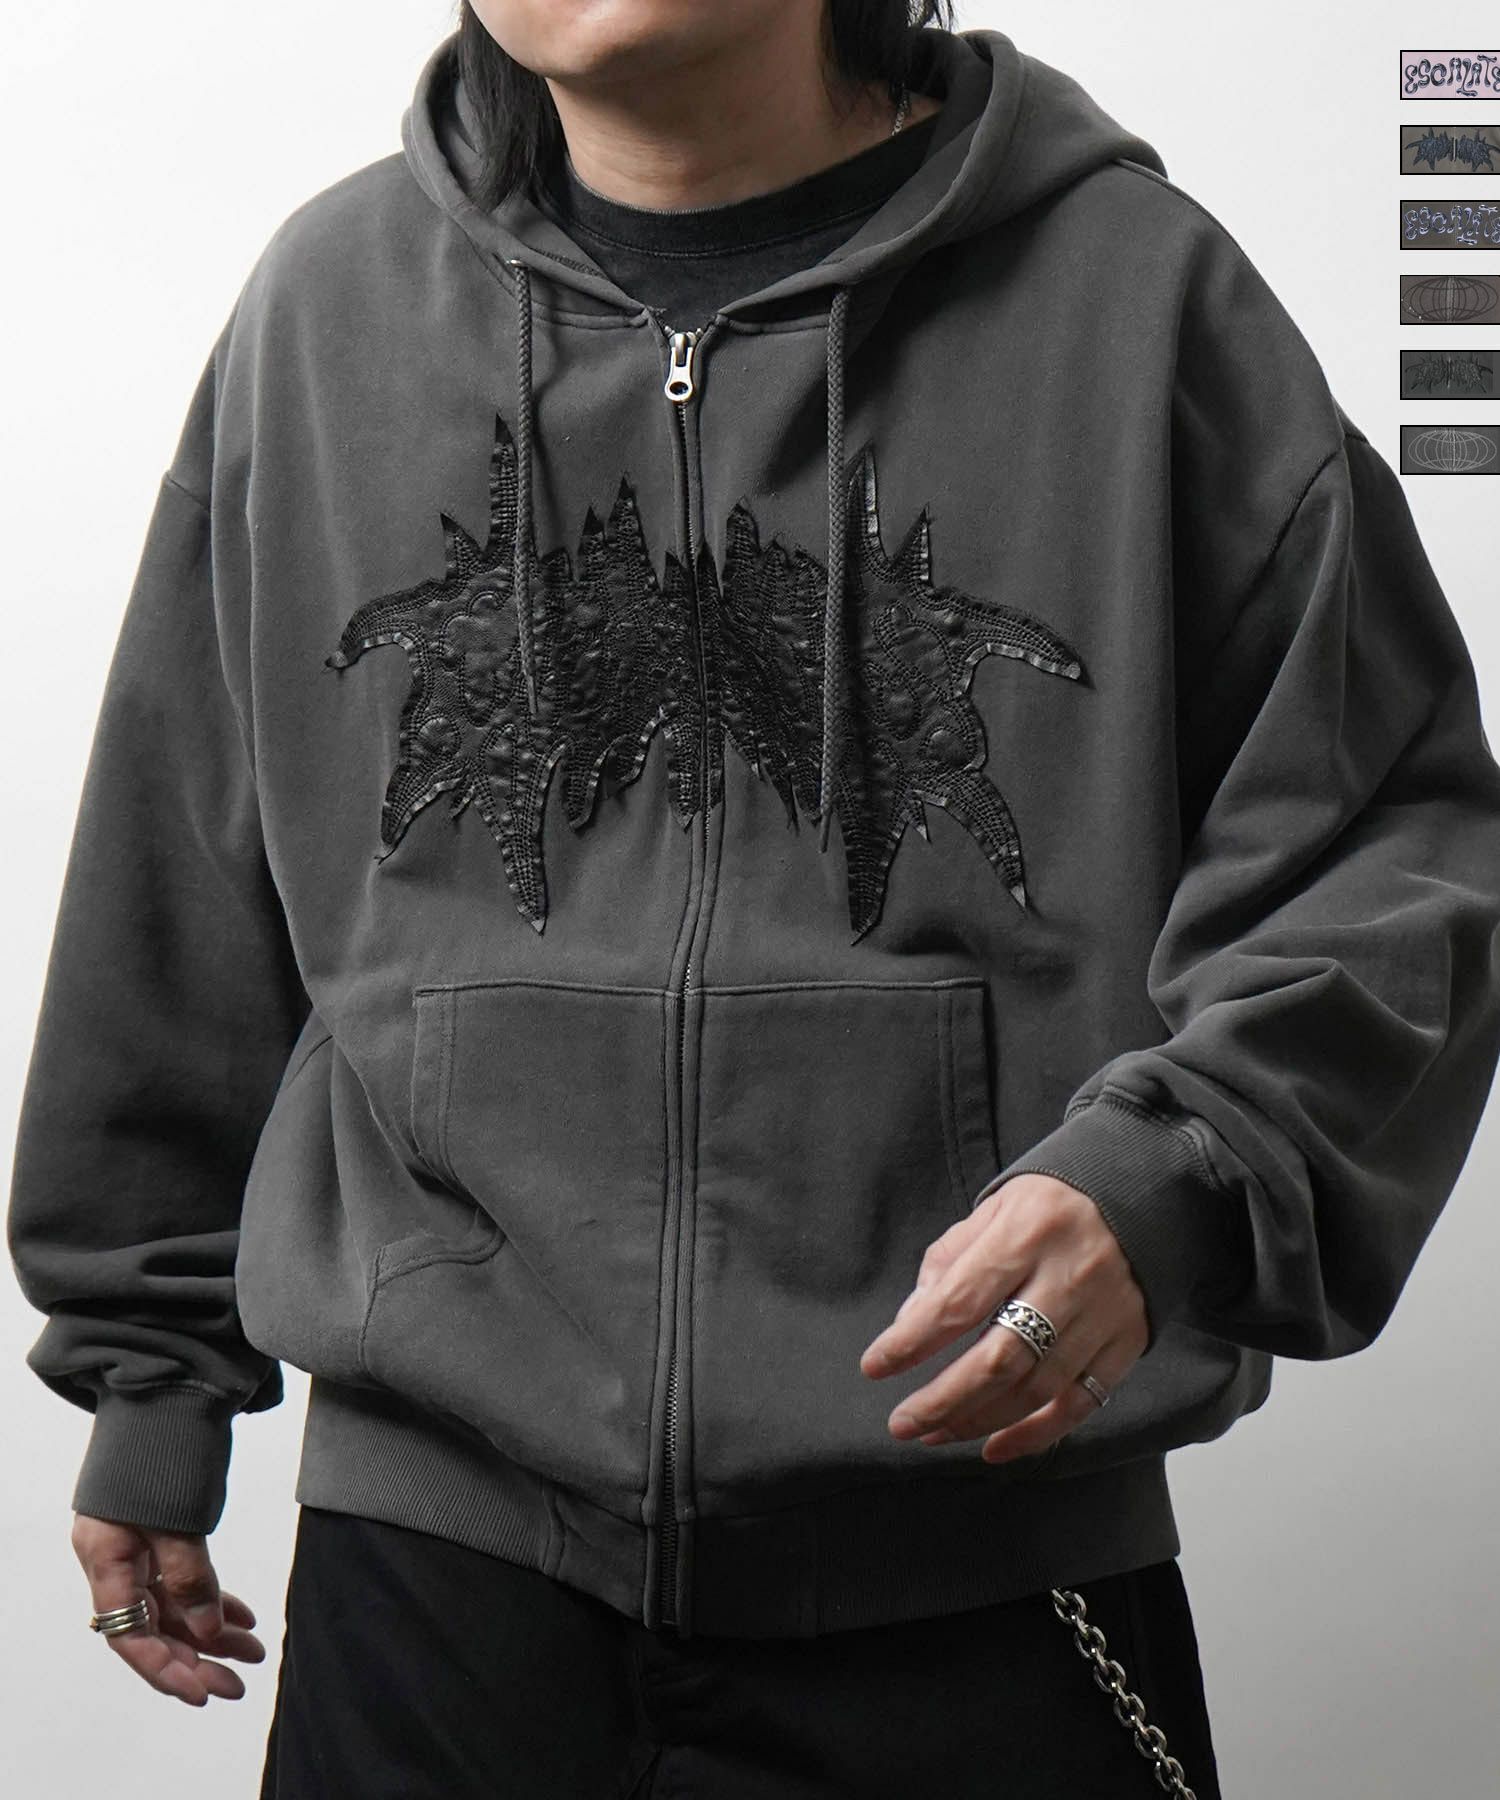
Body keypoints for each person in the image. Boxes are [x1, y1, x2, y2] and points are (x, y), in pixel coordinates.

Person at [9, 2, 1500, 1795]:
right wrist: (149, 1372)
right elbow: (183, 871)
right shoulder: (326, 314)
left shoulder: (1138, 301)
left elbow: (1394, 838)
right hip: (434, 1596)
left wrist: (1180, 1168)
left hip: (977, 1564)